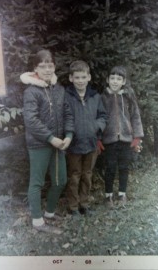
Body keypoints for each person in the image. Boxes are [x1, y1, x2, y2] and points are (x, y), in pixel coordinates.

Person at [20, 49, 74, 234]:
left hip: (60, 143)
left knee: (61, 181)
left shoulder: (59, 89)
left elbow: (67, 113)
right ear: (35, 68)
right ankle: (37, 221)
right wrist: (51, 138)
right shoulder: (31, 91)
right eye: (42, 66)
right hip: (39, 145)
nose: (47, 69)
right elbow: (31, 120)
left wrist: (68, 136)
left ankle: (49, 213)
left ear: (54, 67)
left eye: (50, 65)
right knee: (37, 182)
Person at [65, 60, 107, 216]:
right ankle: (73, 207)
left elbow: (103, 116)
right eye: (77, 77)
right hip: (74, 144)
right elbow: (63, 117)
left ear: (89, 77)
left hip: (91, 143)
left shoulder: (95, 96)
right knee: (74, 175)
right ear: (71, 78)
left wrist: (95, 127)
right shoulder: (66, 96)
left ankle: (84, 204)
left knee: (87, 174)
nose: (80, 81)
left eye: (83, 77)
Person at [101, 65, 144, 208]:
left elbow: (135, 116)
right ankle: (108, 196)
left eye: (118, 79)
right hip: (109, 140)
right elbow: (98, 119)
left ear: (124, 81)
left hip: (126, 139)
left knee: (124, 167)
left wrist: (137, 137)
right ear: (107, 80)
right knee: (110, 168)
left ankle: (122, 194)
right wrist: (98, 138)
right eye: (112, 78)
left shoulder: (128, 96)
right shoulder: (103, 97)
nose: (115, 81)